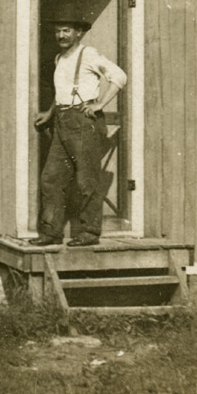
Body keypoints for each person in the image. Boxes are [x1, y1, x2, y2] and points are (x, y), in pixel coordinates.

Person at [32, 17, 127, 247]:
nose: (61, 36)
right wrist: (51, 112)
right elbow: (63, 91)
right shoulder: (60, 58)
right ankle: (52, 232)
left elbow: (119, 77)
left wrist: (100, 104)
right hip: (63, 120)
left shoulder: (89, 55)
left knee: (87, 179)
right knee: (51, 178)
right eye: (57, 31)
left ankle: (89, 232)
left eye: (66, 30)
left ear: (78, 33)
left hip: (84, 121)